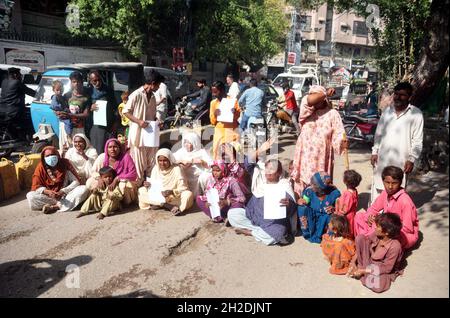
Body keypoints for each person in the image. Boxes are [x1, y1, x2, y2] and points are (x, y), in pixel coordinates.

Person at [370, 82, 423, 203]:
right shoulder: (387, 112)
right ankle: (375, 216)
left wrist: (412, 159)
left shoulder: (416, 114)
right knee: (378, 187)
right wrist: (374, 151)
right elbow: (378, 134)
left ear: (409, 97)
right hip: (382, 158)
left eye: (402, 95)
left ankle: (392, 218)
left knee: (397, 190)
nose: (398, 97)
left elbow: (417, 140)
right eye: (396, 94)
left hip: (402, 161)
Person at [291, 85, 347, 195]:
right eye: (313, 95)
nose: (315, 101)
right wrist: (325, 92)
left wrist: (342, 142)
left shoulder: (332, 114)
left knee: (320, 189)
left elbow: (339, 135)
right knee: (303, 189)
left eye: (318, 97)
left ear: (324, 100)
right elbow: (310, 100)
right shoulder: (306, 110)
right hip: (305, 159)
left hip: (322, 160)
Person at [228, 159, 297, 246]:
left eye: (272, 169)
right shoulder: (260, 182)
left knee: (279, 232)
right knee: (233, 214)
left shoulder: (284, 185)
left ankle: (250, 232)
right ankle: (258, 231)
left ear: (279, 172)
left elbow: (292, 209)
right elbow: (247, 164)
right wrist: (258, 151)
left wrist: (288, 204)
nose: (268, 171)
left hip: (272, 223)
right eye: (267, 168)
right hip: (254, 217)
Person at [354, 166, 419, 251]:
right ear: (383, 181)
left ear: (400, 183)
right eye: (387, 182)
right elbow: (373, 208)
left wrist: (386, 230)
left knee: (379, 235)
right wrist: (370, 217)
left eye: (394, 183)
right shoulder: (385, 193)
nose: (390, 186)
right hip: (385, 226)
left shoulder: (405, 201)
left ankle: (368, 244)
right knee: (359, 216)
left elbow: (407, 228)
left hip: (400, 233)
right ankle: (367, 242)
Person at [122, 69, 162, 183]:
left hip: (150, 134)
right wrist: (139, 121)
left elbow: (152, 115)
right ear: (153, 83)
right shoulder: (136, 94)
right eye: (158, 85)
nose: (158, 88)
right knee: (138, 164)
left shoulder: (153, 97)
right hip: (138, 135)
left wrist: (157, 121)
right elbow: (126, 112)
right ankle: (138, 188)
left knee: (152, 162)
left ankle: (150, 186)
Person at [349, 213, 404, 293]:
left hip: (380, 268)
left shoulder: (395, 246)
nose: (375, 228)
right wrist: (353, 261)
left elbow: (386, 269)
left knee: (379, 286)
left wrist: (363, 271)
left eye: (378, 226)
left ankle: (361, 271)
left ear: (387, 232)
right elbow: (363, 245)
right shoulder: (377, 235)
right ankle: (361, 269)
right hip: (370, 262)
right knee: (360, 238)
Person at [26, 146, 89, 214]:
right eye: (48, 156)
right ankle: (60, 205)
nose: (51, 157)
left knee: (83, 189)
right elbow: (36, 186)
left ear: (57, 155)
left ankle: (55, 207)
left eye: (53, 155)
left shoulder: (65, 163)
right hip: (50, 197)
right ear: (44, 158)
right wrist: (47, 192)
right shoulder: (41, 167)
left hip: (66, 194)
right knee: (30, 196)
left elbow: (76, 182)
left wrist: (63, 191)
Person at [138, 148, 194, 215]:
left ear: (170, 160)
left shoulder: (176, 169)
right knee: (141, 190)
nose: (162, 163)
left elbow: (183, 188)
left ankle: (160, 204)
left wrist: (171, 191)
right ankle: (166, 205)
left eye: (165, 160)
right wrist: (148, 185)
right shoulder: (156, 168)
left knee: (188, 195)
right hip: (158, 196)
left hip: (173, 197)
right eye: (160, 161)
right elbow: (153, 186)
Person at [87, 138, 138, 207]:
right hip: (106, 181)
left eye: (115, 147)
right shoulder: (102, 157)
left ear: (119, 148)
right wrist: (99, 179)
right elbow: (93, 171)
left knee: (125, 185)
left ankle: (123, 202)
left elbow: (133, 174)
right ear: (106, 148)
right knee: (90, 181)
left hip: (120, 182)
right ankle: (100, 200)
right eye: (110, 147)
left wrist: (117, 179)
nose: (112, 149)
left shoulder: (126, 157)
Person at [297, 172, 341, 244]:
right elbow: (303, 200)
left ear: (321, 187)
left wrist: (333, 208)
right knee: (301, 208)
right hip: (313, 216)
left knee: (331, 217)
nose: (311, 186)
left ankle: (328, 236)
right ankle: (308, 233)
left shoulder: (334, 193)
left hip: (325, 219)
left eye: (314, 185)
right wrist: (300, 201)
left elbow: (340, 207)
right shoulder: (309, 191)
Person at [173, 131, 213, 196]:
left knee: (206, 176)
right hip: (184, 176)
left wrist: (202, 162)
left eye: (189, 143)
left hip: (197, 177)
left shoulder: (201, 152)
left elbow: (211, 166)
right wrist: (183, 161)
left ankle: (203, 195)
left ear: (195, 143)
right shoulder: (181, 151)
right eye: (185, 142)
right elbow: (171, 158)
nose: (186, 145)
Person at [59, 71, 91, 149]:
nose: (76, 84)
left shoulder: (86, 97)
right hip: (67, 128)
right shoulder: (67, 95)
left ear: (82, 82)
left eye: (78, 81)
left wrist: (71, 115)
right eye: (74, 82)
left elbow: (86, 114)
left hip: (80, 128)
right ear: (71, 83)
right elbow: (62, 109)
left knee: (81, 149)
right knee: (67, 149)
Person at [0, 67, 36, 135]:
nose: (20, 76)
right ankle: (26, 137)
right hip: (13, 111)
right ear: (15, 75)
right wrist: (38, 95)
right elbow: (29, 92)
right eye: (19, 74)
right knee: (28, 122)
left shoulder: (4, 81)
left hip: (2, 110)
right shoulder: (17, 82)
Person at [209, 81, 241, 159]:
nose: (213, 94)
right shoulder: (213, 103)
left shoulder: (233, 101)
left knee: (233, 156)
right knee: (218, 156)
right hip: (219, 133)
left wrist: (235, 112)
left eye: (215, 92)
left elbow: (238, 116)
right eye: (212, 92)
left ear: (222, 90)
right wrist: (215, 114)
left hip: (232, 132)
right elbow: (212, 122)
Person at [88, 71, 117, 154]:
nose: (98, 83)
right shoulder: (89, 92)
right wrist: (90, 107)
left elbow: (115, 107)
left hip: (109, 125)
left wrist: (115, 123)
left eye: (99, 80)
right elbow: (84, 108)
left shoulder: (108, 90)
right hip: (96, 127)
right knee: (97, 150)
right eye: (94, 81)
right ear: (90, 81)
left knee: (109, 150)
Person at [335, 169, 362, 237]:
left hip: (347, 217)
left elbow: (345, 209)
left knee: (346, 229)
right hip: (352, 214)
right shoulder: (354, 191)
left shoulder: (348, 194)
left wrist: (338, 211)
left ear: (345, 181)